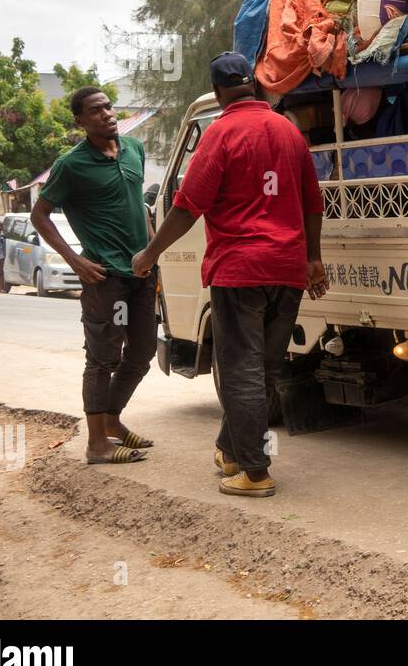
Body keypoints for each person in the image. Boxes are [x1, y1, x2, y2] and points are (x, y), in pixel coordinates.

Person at [132, 52, 329, 499]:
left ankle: (255, 472)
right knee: (261, 368)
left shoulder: (220, 133)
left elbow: (186, 207)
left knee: (240, 369)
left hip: (240, 270)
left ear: (219, 92)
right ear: (255, 85)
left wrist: (150, 253)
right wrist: (312, 258)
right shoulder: (288, 131)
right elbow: (312, 202)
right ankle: (232, 450)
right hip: (288, 268)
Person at [33, 87, 156, 465]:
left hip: (140, 271)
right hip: (105, 276)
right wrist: (75, 261)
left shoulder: (133, 149)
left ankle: (112, 421)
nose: (107, 113)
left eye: (108, 106)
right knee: (103, 358)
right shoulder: (71, 165)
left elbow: (139, 208)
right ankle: (96, 443)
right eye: (96, 110)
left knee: (142, 351)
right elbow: (40, 215)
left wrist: (152, 253)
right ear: (80, 121)